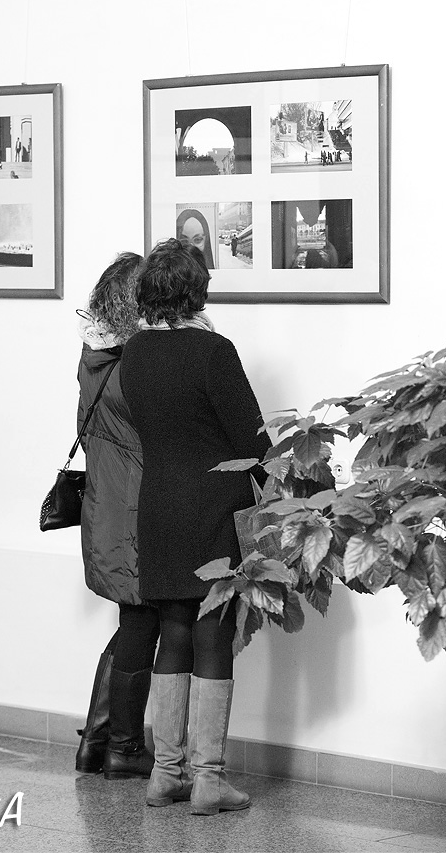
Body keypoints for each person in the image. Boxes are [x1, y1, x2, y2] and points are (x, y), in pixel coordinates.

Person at [120, 239, 270, 815]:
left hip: (158, 505)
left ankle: (166, 774)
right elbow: (252, 440)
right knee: (213, 632)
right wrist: (295, 485)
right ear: (197, 290)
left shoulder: (135, 352)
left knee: (173, 629)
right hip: (212, 508)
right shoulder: (213, 351)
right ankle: (209, 779)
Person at [74, 251, 160, 781]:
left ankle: (98, 741)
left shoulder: (95, 355)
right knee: (142, 619)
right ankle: (122, 747)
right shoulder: (135, 366)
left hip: (107, 503)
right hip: (134, 505)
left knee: (136, 619)